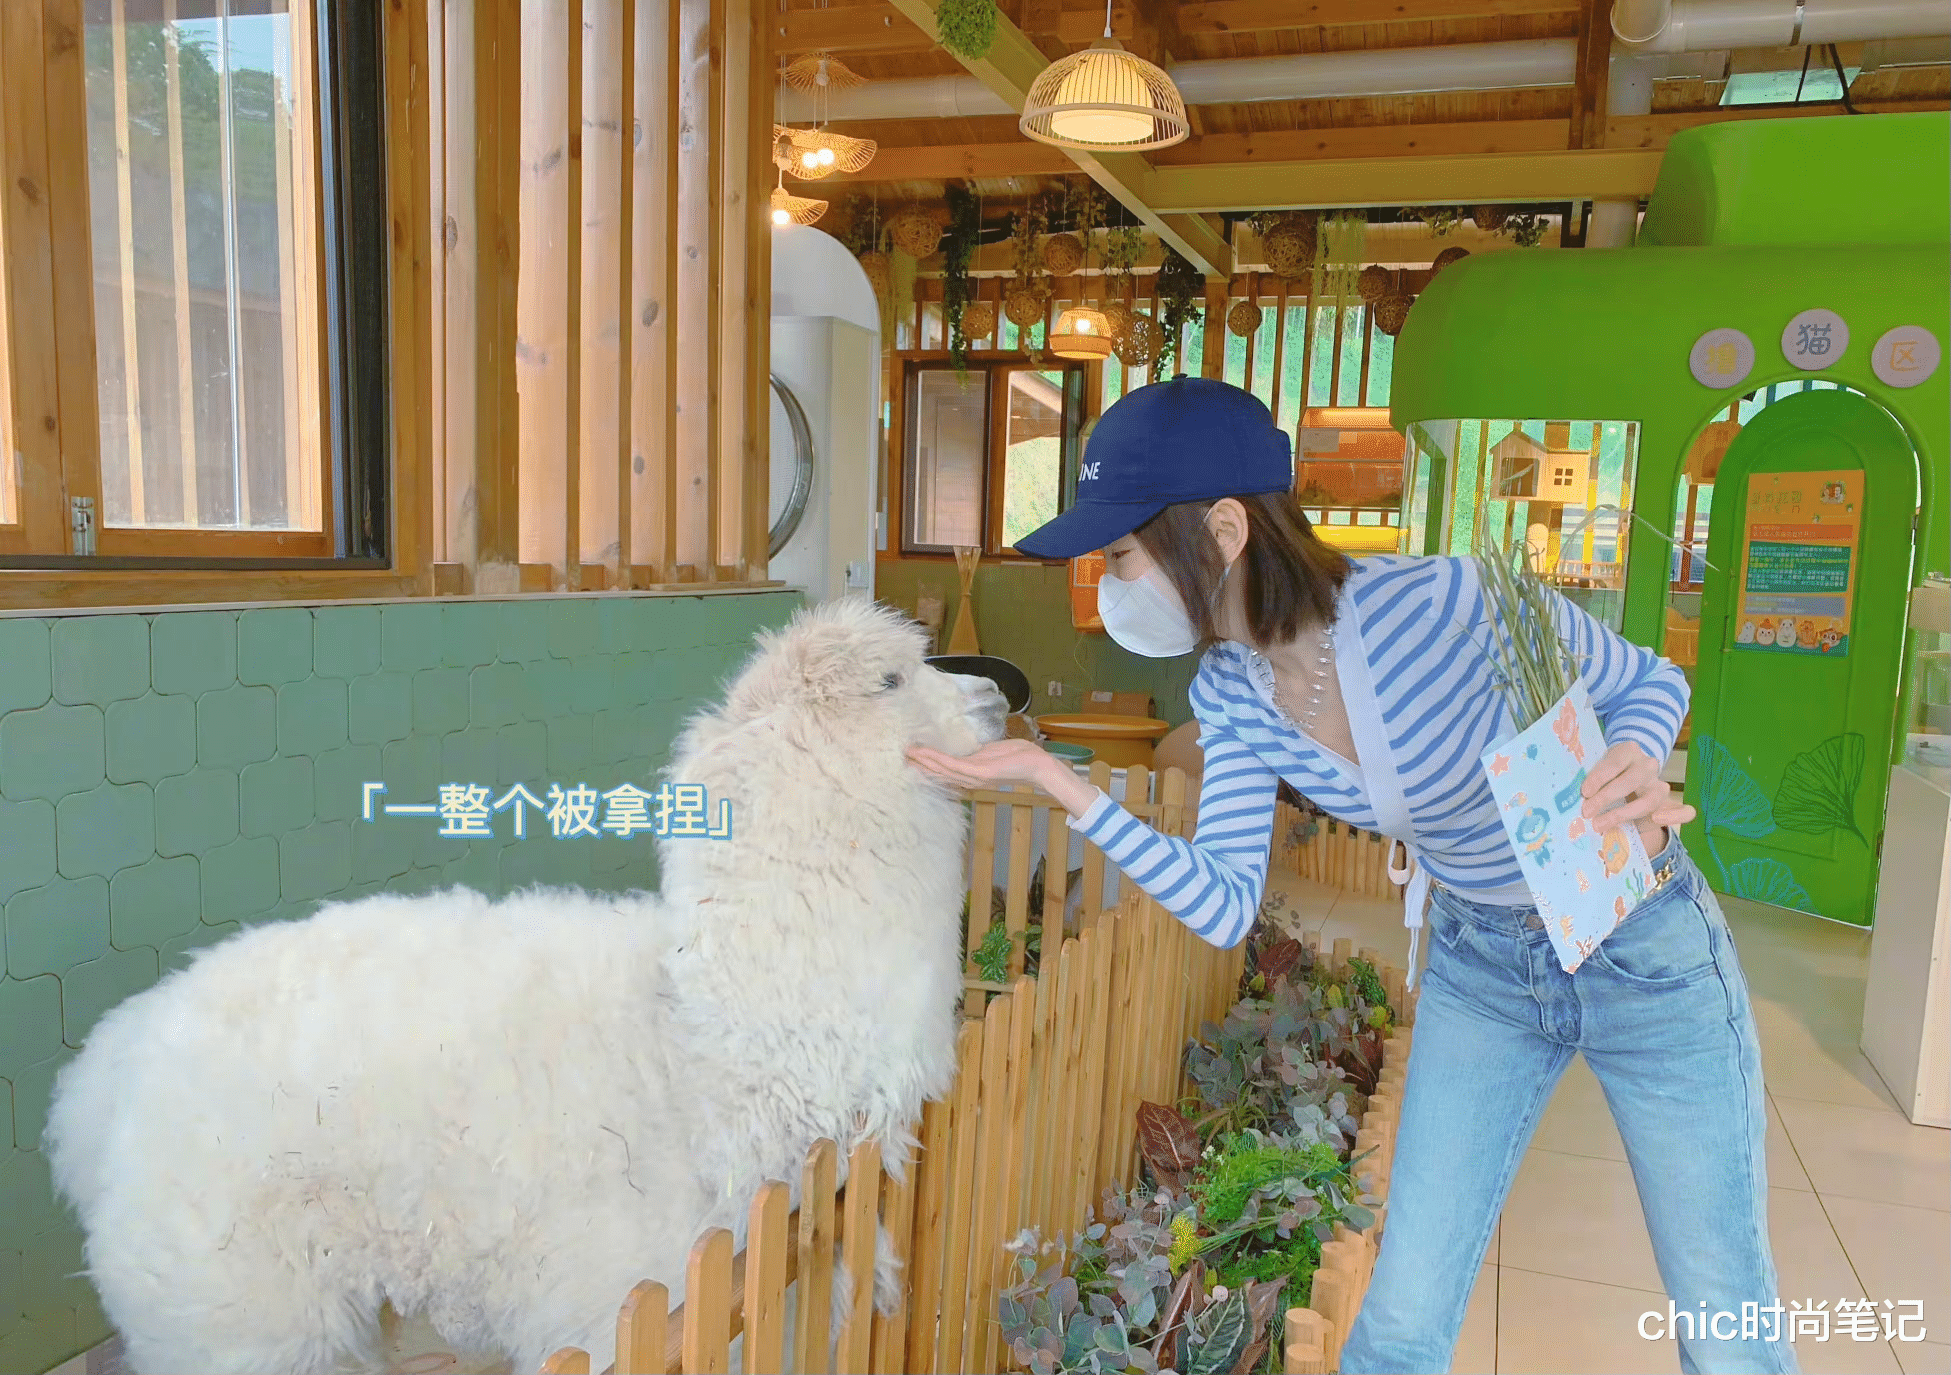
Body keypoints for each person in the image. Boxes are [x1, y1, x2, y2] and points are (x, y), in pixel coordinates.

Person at [907, 377, 1794, 1375]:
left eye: (1121, 553)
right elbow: (1223, 901)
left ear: (1226, 529)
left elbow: (1646, 678)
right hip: (1482, 970)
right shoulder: (1230, 691)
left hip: (1641, 948)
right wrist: (1053, 784)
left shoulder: (1444, 599)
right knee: (1400, 1323)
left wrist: (1634, 750)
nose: (1111, 583)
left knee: (1724, 1315)